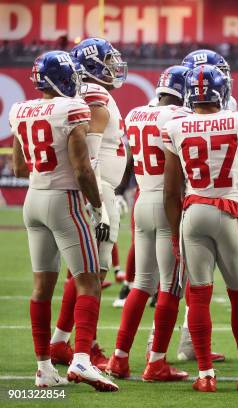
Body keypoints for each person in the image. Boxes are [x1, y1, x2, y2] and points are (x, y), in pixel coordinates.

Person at [10, 50, 117, 391]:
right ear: (64, 78)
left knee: (41, 288)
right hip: (64, 201)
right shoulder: (73, 108)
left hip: (33, 201)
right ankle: (83, 360)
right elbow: (84, 169)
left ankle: (43, 369)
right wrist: (99, 207)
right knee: (88, 282)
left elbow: (19, 167)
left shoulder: (20, 110)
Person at [163, 64, 238, 392]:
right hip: (229, 212)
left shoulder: (175, 126)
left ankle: (205, 376)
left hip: (193, 213)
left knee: (197, 296)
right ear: (221, 92)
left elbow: (171, 191)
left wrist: (173, 234)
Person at [105, 66, 191, 382]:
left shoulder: (137, 113)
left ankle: (119, 359)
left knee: (141, 283)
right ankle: (156, 363)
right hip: (170, 203)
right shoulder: (180, 116)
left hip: (143, 199)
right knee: (170, 286)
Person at [49, 37, 128, 370]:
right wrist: (101, 206)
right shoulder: (94, 95)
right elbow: (91, 158)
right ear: (93, 64)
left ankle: (63, 343)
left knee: (82, 272)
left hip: (97, 189)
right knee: (91, 274)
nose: (114, 66)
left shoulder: (87, 94)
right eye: (108, 60)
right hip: (97, 190)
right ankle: (84, 349)